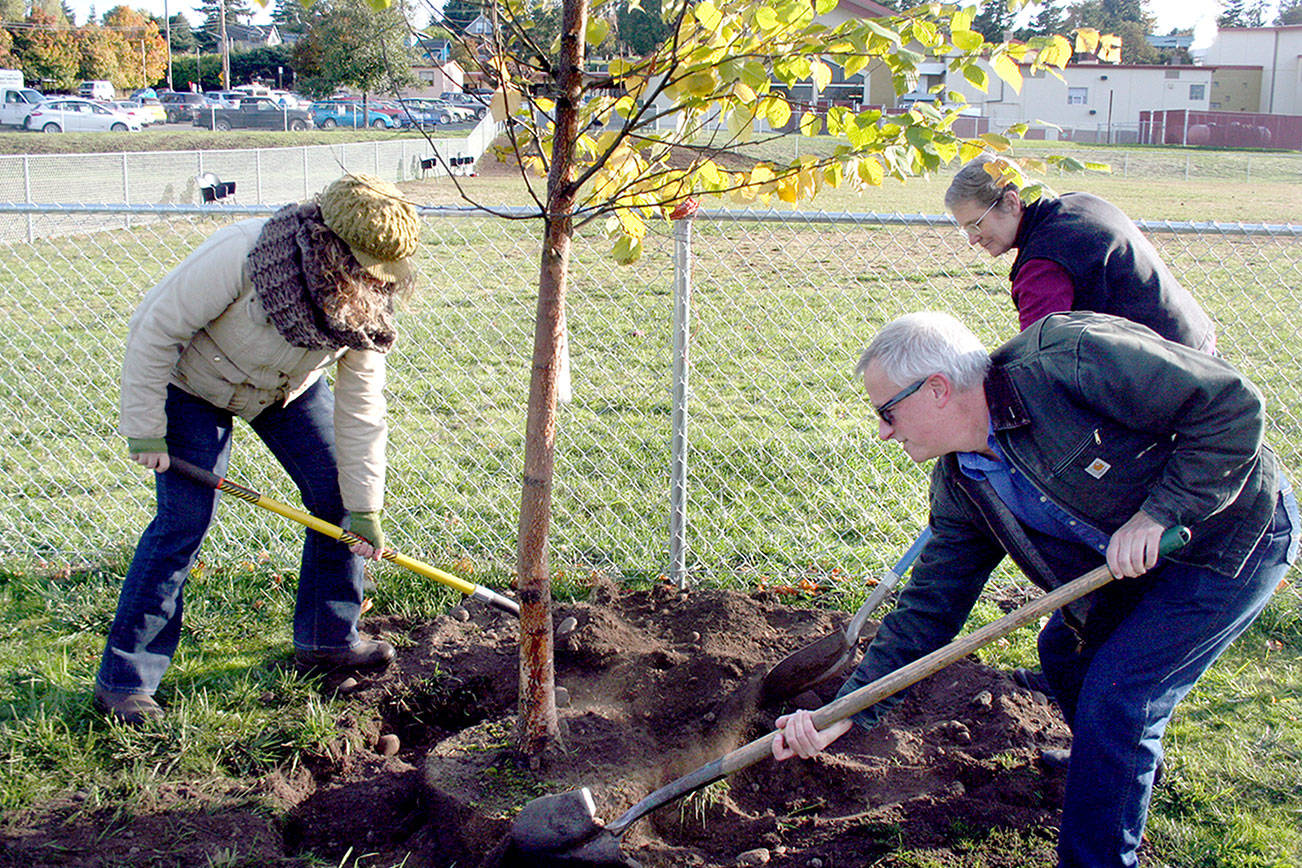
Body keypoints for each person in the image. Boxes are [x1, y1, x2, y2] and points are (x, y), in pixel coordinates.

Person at [772, 311, 1296, 868]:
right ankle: (1113, 764)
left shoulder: (1069, 362)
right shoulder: (964, 481)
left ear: (937, 389)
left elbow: (1232, 407)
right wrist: (848, 712)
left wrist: (1160, 512)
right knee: (1064, 654)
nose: (884, 430)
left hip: (1230, 535)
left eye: (887, 411)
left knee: (1122, 694)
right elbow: (929, 609)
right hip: (1133, 560)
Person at [95, 173, 422, 725]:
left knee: (337, 497)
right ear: (331, 241)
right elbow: (156, 327)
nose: (375, 279)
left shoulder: (366, 303)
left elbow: (362, 409)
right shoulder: (246, 253)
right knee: (183, 521)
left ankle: (328, 639)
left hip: (282, 391)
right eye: (365, 264)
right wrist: (145, 427)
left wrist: (364, 509)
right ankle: (124, 683)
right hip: (193, 386)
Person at [945, 154, 1217, 353]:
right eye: (965, 229)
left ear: (1011, 201)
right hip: (1195, 339)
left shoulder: (1043, 265)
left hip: (1169, 372)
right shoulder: (1079, 204)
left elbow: (1039, 359)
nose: (972, 239)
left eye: (976, 224)